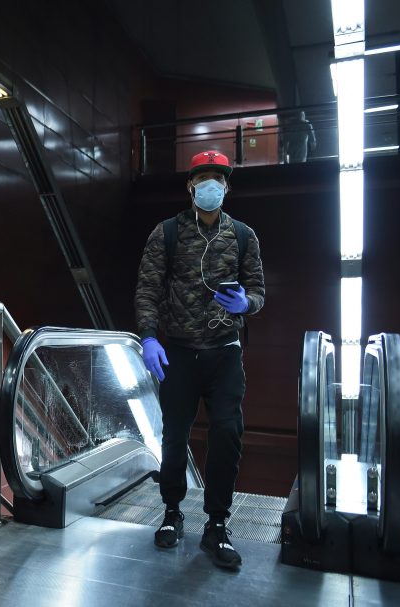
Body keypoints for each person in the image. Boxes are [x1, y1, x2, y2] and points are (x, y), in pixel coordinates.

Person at [134, 150, 265, 570]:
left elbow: (259, 293)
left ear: (227, 187)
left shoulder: (243, 236)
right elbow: (148, 289)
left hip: (225, 354)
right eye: (203, 178)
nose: (211, 185)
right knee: (174, 436)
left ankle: (217, 525)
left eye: (218, 179)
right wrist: (149, 338)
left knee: (227, 433)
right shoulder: (167, 233)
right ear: (191, 186)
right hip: (178, 354)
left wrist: (246, 303)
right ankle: (172, 513)